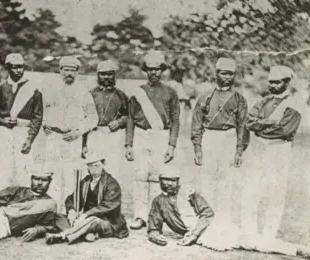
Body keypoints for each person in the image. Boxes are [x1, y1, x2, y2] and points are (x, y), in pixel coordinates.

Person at [147, 165, 310, 260]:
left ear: (178, 181)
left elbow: (207, 214)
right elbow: (154, 225)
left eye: (173, 179)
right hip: (200, 235)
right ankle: (295, 249)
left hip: (209, 227)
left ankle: (296, 249)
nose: (169, 183)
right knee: (248, 242)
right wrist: (155, 236)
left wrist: (194, 234)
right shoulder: (158, 201)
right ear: (160, 181)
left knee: (249, 239)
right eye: (165, 179)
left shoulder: (189, 192)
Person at [242, 65, 302, 240]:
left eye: (277, 82)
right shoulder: (264, 101)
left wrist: (261, 126)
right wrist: (268, 123)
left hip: (279, 149)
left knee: (276, 193)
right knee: (251, 189)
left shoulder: (294, 104)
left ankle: (268, 235)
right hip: (260, 149)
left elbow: (284, 130)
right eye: (271, 82)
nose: (273, 86)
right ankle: (249, 233)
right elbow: (249, 122)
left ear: (287, 82)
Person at [125, 50, 180, 230]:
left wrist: (171, 145)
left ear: (162, 70)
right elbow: (131, 119)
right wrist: (129, 144)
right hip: (142, 135)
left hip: (161, 136)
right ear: (145, 71)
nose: (154, 73)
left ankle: (155, 216)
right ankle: (139, 216)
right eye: (150, 69)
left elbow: (176, 120)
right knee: (140, 176)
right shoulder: (137, 92)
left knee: (158, 177)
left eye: (157, 69)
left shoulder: (170, 92)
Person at [190, 57, 249, 224]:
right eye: (224, 73)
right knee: (207, 178)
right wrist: (197, 148)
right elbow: (197, 123)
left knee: (226, 179)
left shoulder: (239, 98)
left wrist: (239, 150)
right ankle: (207, 219)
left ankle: (223, 220)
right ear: (216, 74)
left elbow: (243, 126)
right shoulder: (205, 96)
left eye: (231, 74)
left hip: (228, 138)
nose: (227, 77)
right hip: (209, 137)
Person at [42, 56, 98, 213]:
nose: (69, 73)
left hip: (72, 138)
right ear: (60, 70)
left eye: (72, 70)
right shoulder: (51, 89)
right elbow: (42, 110)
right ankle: (52, 210)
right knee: (51, 171)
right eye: (66, 69)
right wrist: (43, 124)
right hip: (53, 136)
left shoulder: (83, 92)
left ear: (77, 72)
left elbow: (93, 117)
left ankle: (70, 210)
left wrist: (78, 132)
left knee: (71, 173)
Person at [45, 153, 129, 244]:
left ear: (103, 165)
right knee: (57, 216)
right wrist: (71, 211)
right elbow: (71, 198)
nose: (94, 169)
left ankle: (63, 236)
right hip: (84, 220)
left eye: (97, 165)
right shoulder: (86, 181)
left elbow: (108, 205)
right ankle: (84, 233)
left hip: (109, 222)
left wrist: (85, 215)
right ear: (87, 168)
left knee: (93, 220)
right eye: (90, 166)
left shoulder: (111, 183)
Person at [0, 53, 43, 189]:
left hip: (23, 132)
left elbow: (37, 117)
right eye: (15, 67)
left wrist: (30, 138)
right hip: (4, 132)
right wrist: (3, 121)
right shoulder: (1, 87)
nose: (19, 71)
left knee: (24, 169)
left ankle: (22, 203)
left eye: (21, 67)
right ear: (7, 68)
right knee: (3, 168)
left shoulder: (34, 89)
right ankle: (1, 202)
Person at [84, 60, 128, 179]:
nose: (106, 77)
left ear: (114, 75)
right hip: (94, 135)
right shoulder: (90, 94)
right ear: (97, 75)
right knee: (93, 166)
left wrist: (119, 122)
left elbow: (129, 116)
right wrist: (83, 144)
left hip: (113, 135)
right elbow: (82, 118)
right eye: (103, 74)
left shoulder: (121, 95)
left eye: (109, 74)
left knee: (113, 167)